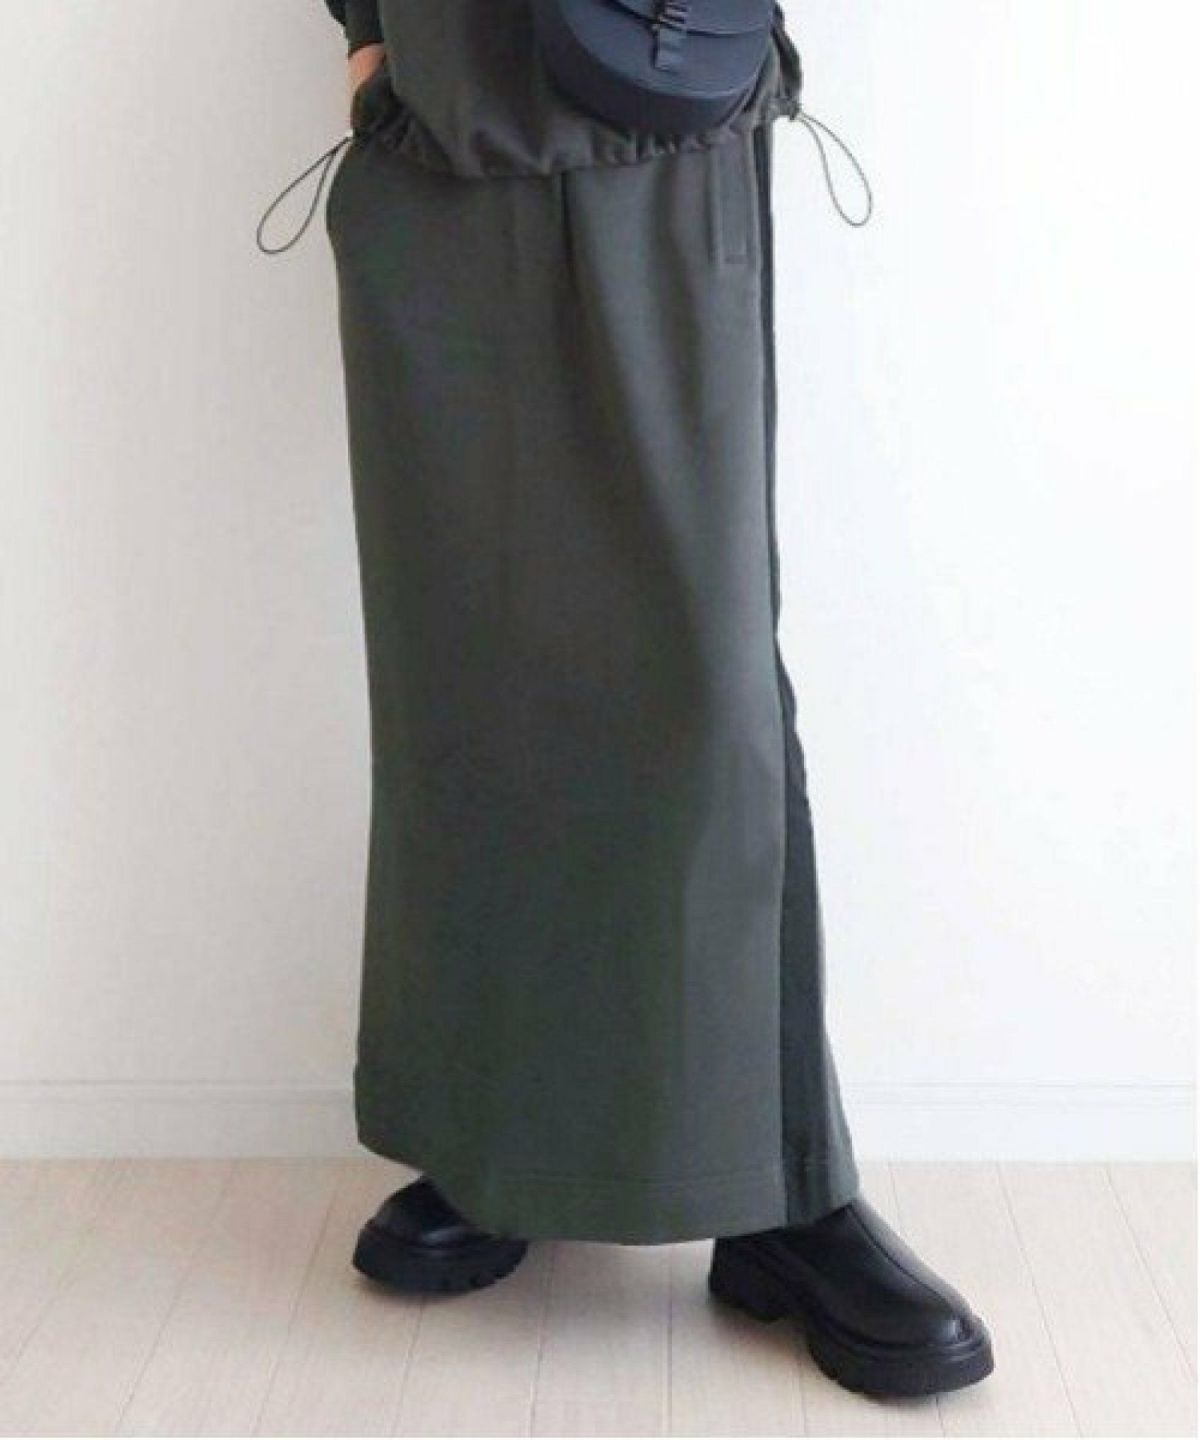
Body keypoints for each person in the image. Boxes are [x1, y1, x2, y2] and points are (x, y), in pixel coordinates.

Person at [303, 0, 993, 1398]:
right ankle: (504, 1141)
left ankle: (784, 1193)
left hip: (660, 116)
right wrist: (368, 40)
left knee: (705, 694)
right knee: (468, 669)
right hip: (436, 142)